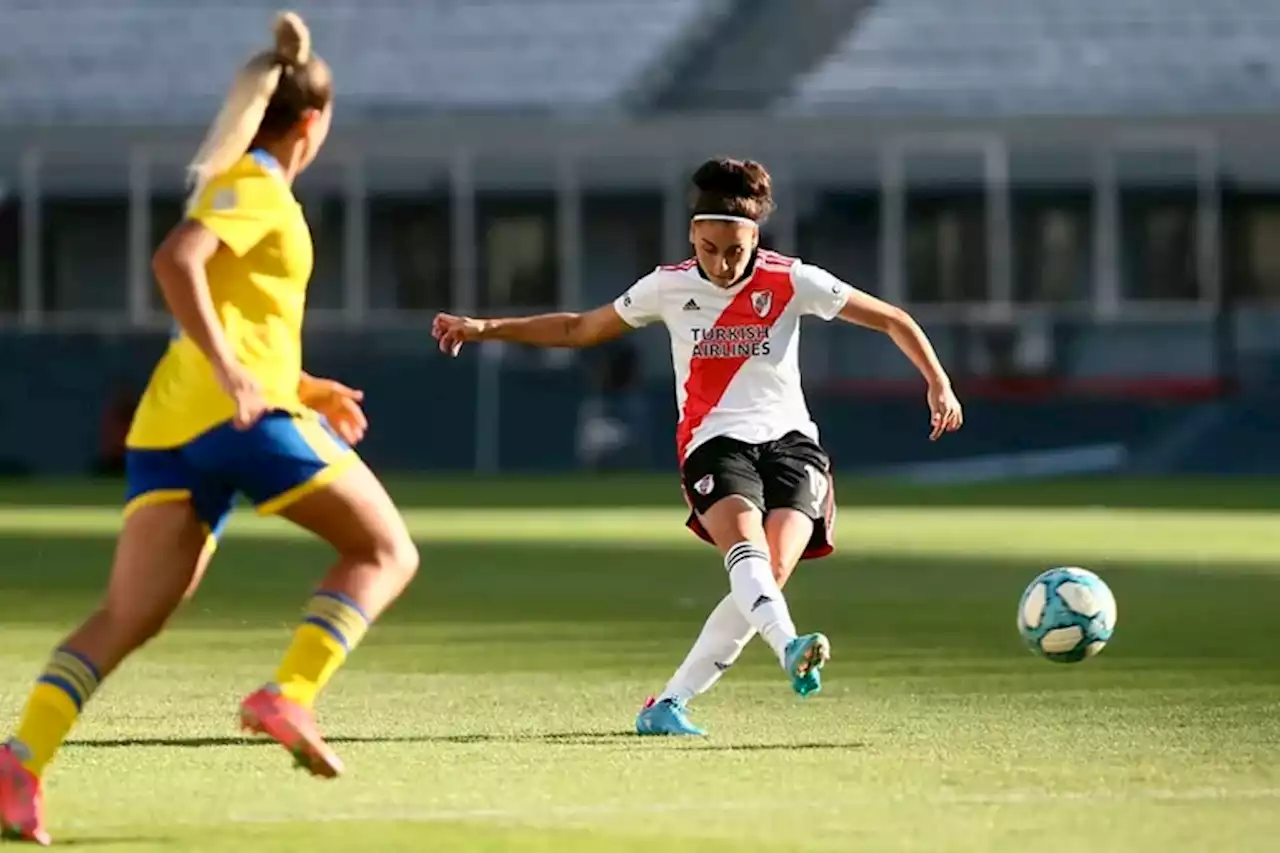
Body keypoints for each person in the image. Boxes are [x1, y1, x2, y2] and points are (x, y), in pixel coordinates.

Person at [0, 12, 419, 844]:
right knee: (385, 551)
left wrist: (305, 382)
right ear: (313, 121)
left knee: (129, 615)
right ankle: (289, 694)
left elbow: (233, 311)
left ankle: (19, 761)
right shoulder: (257, 185)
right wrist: (242, 377)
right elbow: (175, 262)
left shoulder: (245, 183)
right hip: (238, 416)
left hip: (173, 426)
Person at [432, 157, 963, 737]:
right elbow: (578, 329)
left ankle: (669, 704)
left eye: (734, 250)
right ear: (693, 234)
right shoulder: (667, 286)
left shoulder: (792, 280)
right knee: (749, 558)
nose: (721, 262)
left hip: (793, 446)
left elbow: (893, 319)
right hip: (714, 443)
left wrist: (938, 382)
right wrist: (486, 328)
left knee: (770, 572)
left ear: (754, 238)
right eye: (709, 248)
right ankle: (789, 647)